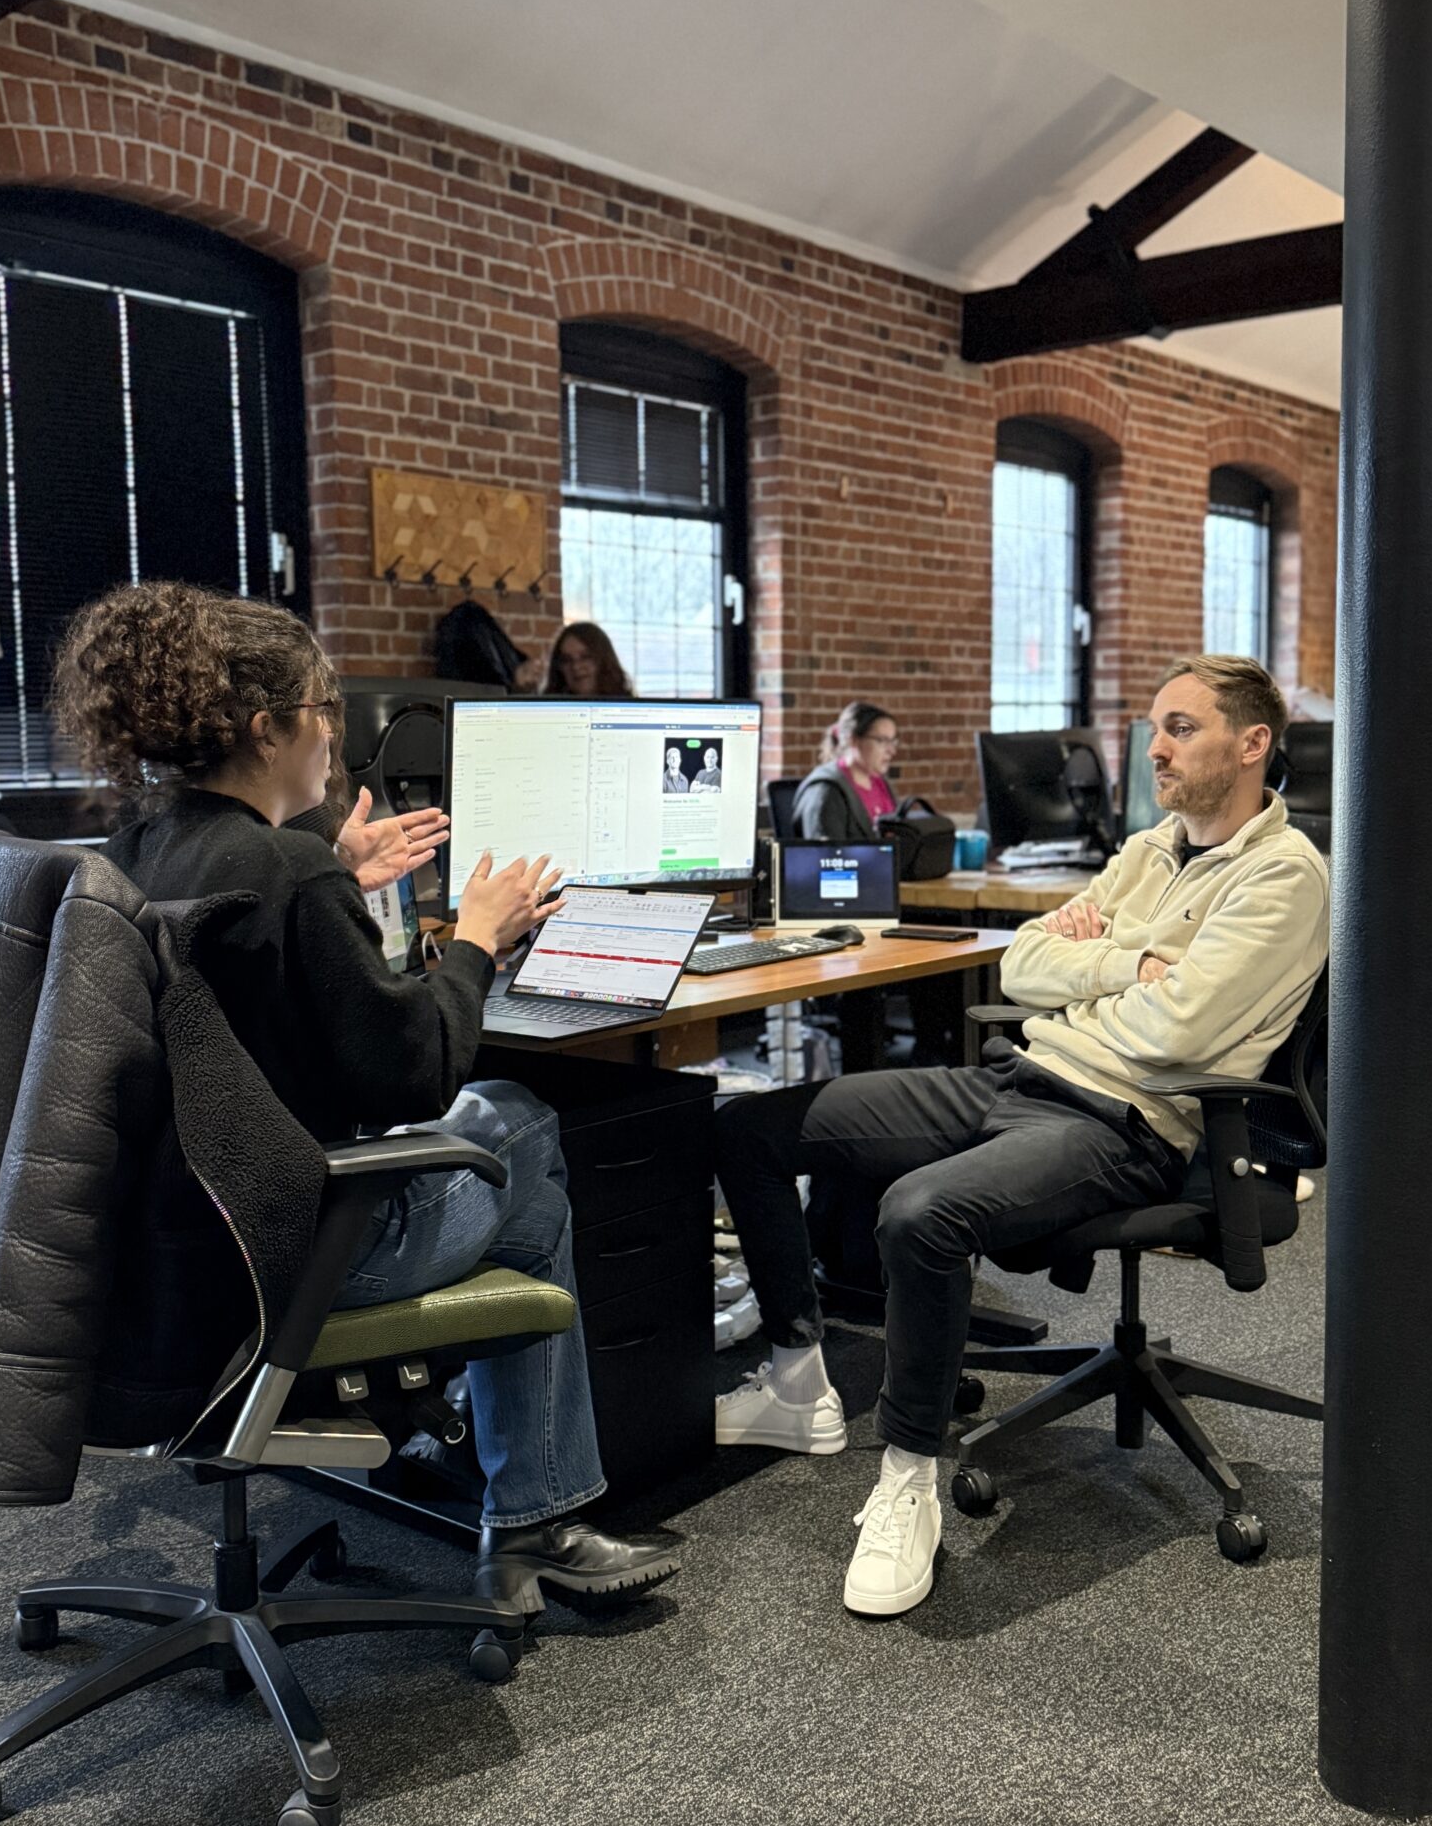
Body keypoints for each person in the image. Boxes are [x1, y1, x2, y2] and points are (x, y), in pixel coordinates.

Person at [53, 580, 680, 1612]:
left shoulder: (141, 849)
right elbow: (418, 1071)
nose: (335, 733)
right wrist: (479, 935)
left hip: (161, 1255)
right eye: (325, 709)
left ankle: (518, 1495)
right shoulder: (289, 872)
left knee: (528, 1202)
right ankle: (535, 1515)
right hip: (295, 1260)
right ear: (270, 728)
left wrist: (339, 875)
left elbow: (262, 995)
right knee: (517, 1124)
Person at [711, 655, 1329, 1619]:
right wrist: (1130, 963)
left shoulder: (1285, 877)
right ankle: (797, 1374)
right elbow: (1027, 958)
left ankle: (907, 1477)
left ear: (1252, 745)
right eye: (1156, 729)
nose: (1155, 750)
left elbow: (1187, 1033)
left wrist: (1090, 967)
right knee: (749, 1128)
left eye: (1181, 729)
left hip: (1126, 1122)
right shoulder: (1151, 849)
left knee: (918, 1212)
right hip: (1019, 1074)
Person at [791, 702, 899, 842]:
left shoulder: (881, 784)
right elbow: (826, 857)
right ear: (853, 740)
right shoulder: (826, 791)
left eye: (893, 741)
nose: (891, 751)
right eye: (881, 741)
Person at [544, 620, 633, 699]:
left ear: (604, 660)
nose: (576, 666)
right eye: (567, 660)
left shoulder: (628, 708)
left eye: (585, 657)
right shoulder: (547, 710)